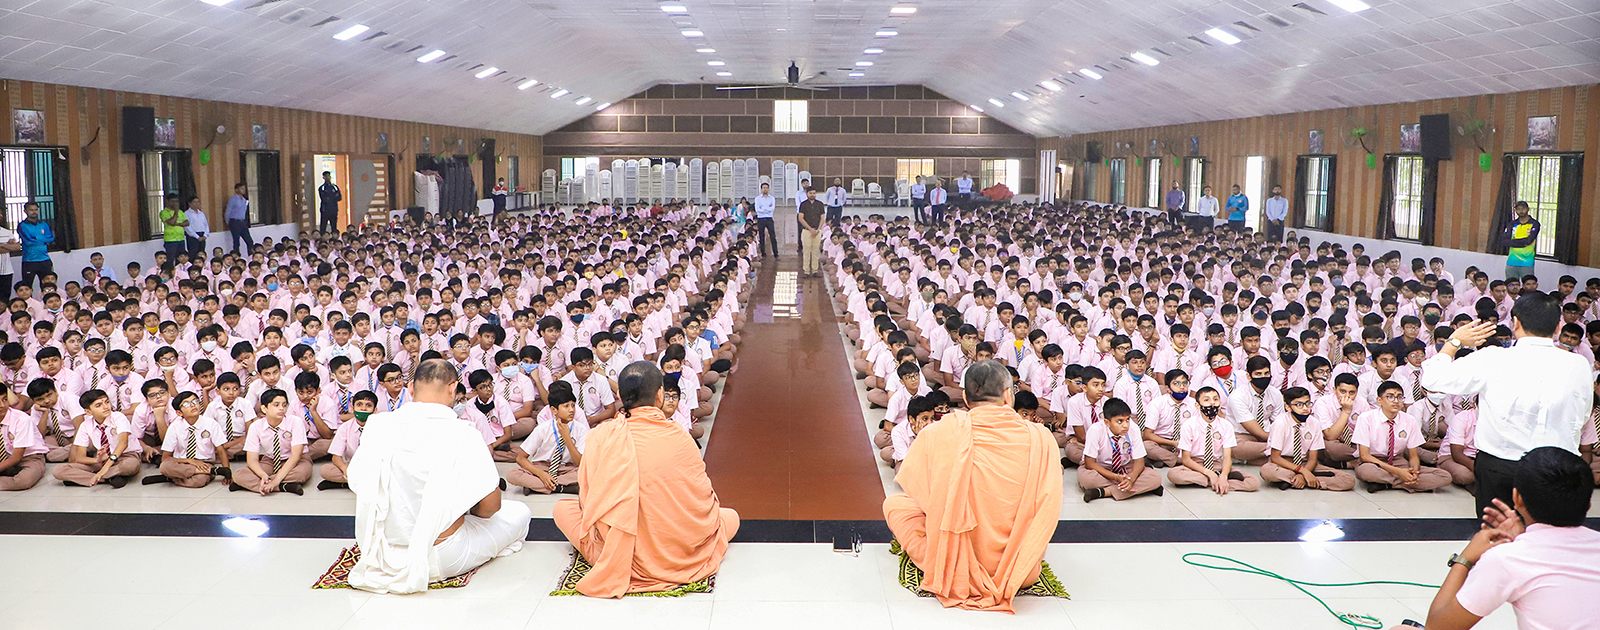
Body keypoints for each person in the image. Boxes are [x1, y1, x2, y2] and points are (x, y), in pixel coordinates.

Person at [883, 360, 1062, 613]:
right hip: (1020, 570)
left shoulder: (939, 432)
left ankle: (953, 560)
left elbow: (921, 494)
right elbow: (1048, 506)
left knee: (896, 505)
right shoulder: (1041, 438)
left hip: (955, 568)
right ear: (1009, 395)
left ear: (965, 397)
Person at [553, 361, 739, 598]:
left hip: (620, 554)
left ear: (619, 394)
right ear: (660, 395)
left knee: (561, 509)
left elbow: (586, 501)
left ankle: (620, 558)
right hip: (682, 550)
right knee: (729, 517)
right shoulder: (680, 436)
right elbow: (703, 499)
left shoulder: (601, 436)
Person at [347, 359, 532, 594]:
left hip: (380, 552)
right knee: (518, 512)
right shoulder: (463, 433)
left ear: (411, 388)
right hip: (441, 556)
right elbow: (490, 508)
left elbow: (358, 482)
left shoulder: (379, 426)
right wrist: (458, 505)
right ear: (453, 389)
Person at [1421, 292, 1592, 516]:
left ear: (1515, 323)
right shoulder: (1579, 365)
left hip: (1500, 465)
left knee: (1497, 534)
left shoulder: (1494, 358)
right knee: (1547, 534)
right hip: (1558, 464)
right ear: (1559, 327)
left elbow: (1432, 379)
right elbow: (1583, 414)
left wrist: (1454, 342)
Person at [1421, 447, 1600, 630]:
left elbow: (1437, 627)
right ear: (1588, 503)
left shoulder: (1506, 558)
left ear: (1517, 497)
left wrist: (1466, 557)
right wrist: (1524, 538)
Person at [1079, 397, 1164, 502]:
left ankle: (1103, 492)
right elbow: (1090, 463)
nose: (1125, 425)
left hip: (1126, 466)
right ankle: (1141, 489)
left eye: (1127, 420)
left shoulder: (1133, 428)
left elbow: (1139, 460)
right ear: (1107, 422)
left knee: (1155, 478)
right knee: (1087, 480)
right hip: (1101, 468)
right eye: (1120, 421)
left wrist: (1131, 478)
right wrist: (1116, 477)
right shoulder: (1095, 430)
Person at [1498, 200, 1540, 281]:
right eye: (1518, 209)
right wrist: (1522, 242)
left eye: (1523, 208)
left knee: (1528, 286)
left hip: (1527, 262)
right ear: (1515, 210)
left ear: (1528, 209)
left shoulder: (1534, 224)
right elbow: (1504, 241)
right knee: (1511, 285)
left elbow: (1529, 241)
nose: (1521, 211)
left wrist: (1513, 242)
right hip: (1511, 262)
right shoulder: (1512, 224)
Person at [17, 201, 54, 291]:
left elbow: (51, 238)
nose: (34, 212)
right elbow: (28, 241)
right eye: (31, 210)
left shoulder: (44, 224)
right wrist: (42, 239)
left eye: (36, 210)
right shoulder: (22, 225)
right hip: (29, 261)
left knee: (48, 286)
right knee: (27, 287)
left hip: (45, 260)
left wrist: (37, 238)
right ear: (25, 211)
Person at [798, 187, 825, 277]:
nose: (812, 195)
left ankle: (815, 270)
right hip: (807, 231)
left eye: (814, 193)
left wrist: (818, 229)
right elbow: (801, 218)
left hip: (817, 231)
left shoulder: (820, 204)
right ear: (807, 194)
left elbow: (822, 218)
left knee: (815, 251)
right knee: (806, 251)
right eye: (810, 193)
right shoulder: (803, 205)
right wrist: (810, 229)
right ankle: (806, 271)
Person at [225, 182, 253, 253]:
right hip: (235, 222)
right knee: (236, 242)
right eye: (241, 189)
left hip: (243, 222)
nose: (243, 190)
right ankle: (237, 256)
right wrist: (229, 223)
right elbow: (228, 212)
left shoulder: (244, 200)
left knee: (249, 241)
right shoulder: (233, 200)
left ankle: (251, 256)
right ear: (237, 190)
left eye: (244, 188)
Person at [159, 193, 188, 259]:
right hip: (170, 240)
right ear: (168, 202)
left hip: (181, 239)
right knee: (171, 258)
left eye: (177, 201)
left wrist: (177, 224)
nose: (175, 203)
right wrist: (176, 212)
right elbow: (171, 222)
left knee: (181, 258)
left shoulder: (180, 212)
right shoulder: (164, 212)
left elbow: (187, 222)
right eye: (173, 201)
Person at [753, 182, 777, 259]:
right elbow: (757, 210)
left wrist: (763, 209)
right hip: (761, 219)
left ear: (768, 189)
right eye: (764, 188)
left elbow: (772, 209)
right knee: (761, 236)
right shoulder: (757, 199)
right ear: (761, 189)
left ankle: (776, 253)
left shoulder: (772, 198)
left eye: (766, 188)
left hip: (769, 219)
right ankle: (763, 253)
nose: (765, 189)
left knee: (772, 236)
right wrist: (767, 209)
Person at [0, 216, 19, 304]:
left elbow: (17, 247)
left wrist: (3, 246)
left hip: (6, 270)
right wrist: (8, 246)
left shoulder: (7, 232)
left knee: (5, 297)